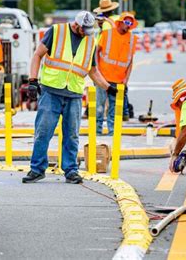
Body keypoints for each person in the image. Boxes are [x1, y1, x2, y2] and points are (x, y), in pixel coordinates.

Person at [22, 11, 116, 184]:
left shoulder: (90, 40)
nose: (87, 33)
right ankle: (37, 169)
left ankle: (71, 170)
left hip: (74, 94)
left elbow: (92, 70)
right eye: (84, 29)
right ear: (76, 25)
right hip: (51, 92)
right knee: (43, 133)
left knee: (71, 135)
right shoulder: (56, 31)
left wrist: (109, 88)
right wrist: (33, 81)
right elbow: (37, 55)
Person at [96, 12, 138, 135]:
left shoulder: (132, 39)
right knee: (99, 106)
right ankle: (97, 131)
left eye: (131, 23)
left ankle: (112, 132)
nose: (129, 25)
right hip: (102, 78)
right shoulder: (107, 34)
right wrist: (96, 72)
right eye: (127, 22)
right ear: (120, 22)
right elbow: (96, 52)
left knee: (114, 108)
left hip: (118, 79)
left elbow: (130, 61)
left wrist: (126, 80)